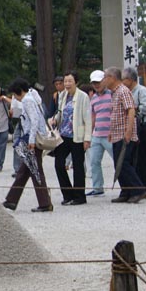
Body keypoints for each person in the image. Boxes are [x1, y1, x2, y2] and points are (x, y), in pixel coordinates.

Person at [2, 79, 53, 212]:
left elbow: (34, 120)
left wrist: (31, 141)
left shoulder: (27, 100)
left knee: (35, 171)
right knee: (24, 171)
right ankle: (11, 200)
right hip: (33, 138)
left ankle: (44, 203)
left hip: (32, 139)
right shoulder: (32, 96)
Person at [102, 67, 146, 203]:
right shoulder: (113, 93)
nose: (104, 80)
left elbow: (131, 111)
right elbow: (115, 114)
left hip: (124, 134)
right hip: (116, 133)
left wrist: (128, 131)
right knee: (118, 164)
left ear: (112, 78)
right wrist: (110, 131)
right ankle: (126, 191)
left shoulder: (123, 91)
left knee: (124, 163)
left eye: (105, 77)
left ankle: (138, 189)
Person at [50, 71, 92, 205]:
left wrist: (87, 138)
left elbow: (87, 118)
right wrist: (54, 120)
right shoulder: (62, 95)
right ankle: (67, 193)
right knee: (59, 164)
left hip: (77, 136)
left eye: (70, 81)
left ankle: (79, 196)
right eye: (65, 81)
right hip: (63, 135)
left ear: (76, 82)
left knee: (78, 166)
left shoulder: (83, 96)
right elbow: (60, 113)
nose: (67, 84)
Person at [122, 66, 146, 197]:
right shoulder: (128, 91)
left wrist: (133, 110)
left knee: (142, 159)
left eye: (124, 79)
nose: (122, 82)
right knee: (133, 159)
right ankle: (137, 187)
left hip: (143, 128)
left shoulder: (141, 90)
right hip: (134, 127)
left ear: (130, 79)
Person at [87, 70, 113, 196]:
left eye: (98, 82)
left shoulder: (113, 95)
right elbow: (93, 117)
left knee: (118, 160)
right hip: (97, 135)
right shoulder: (94, 99)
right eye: (94, 83)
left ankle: (126, 186)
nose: (96, 85)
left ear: (104, 80)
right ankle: (97, 188)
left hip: (110, 134)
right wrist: (90, 134)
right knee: (94, 162)